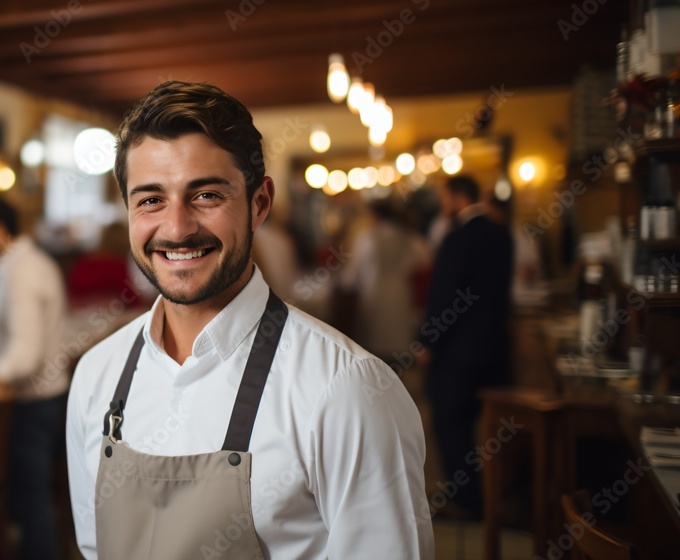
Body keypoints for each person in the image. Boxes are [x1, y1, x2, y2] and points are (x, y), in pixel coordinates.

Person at [66, 81, 432, 559]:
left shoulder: (347, 387)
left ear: (259, 204)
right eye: (151, 199)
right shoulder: (97, 374)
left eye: (206, 195)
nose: (176, 228)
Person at [0, 198, 68, 560]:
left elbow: (26, 352)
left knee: (30, 501)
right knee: (32, 500)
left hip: (33, 403)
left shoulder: (20, 271)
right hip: (43, 399)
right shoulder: (22, 264)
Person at [420, 176, 514, 518]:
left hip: (457, 352)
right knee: (487, 426)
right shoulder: (502, 234)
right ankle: (495, 493)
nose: (443, 205)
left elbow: (444, 296)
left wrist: (429, 339)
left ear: (458, 198)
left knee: (450, 422)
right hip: (495, 347)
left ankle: (466, 500)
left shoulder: (456, 238)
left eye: (445, 198)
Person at [340, 199, 430, 361]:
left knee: (374, 346)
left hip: (374, 295)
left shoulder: (367, 238)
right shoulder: (409, 236)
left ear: (375, 216)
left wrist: (346, 284)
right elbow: (425, 260)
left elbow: (351, 275)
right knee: (398, 346)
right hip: (400, 294)